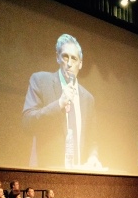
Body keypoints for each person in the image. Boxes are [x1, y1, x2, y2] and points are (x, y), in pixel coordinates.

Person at [22, 33, 101, 169]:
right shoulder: (41, 81)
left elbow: (92, 139)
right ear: (57, 58)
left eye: (74, 58)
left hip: (79, 176)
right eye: (65, 57)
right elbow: (27, 123)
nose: (69, 63)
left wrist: (93, 156)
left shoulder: (88, 98)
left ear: (80, 63)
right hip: (47, 173)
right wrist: (59, 104)